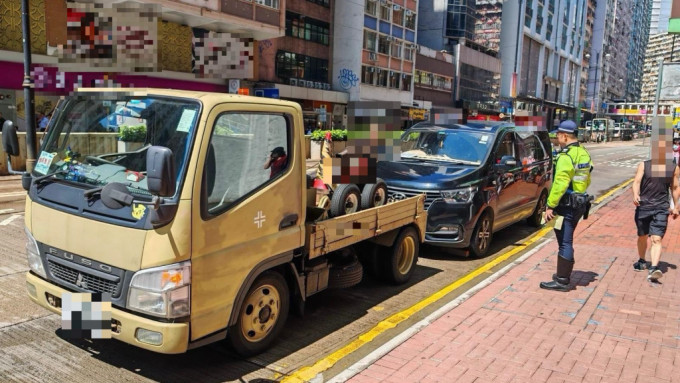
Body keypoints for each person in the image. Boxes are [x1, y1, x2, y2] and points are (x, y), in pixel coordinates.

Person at [540, 120, 594, 292]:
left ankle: (562, 280)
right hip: (579, 202)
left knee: (565, 241)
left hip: (567, 204)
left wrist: (550, 205)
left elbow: (560, 184)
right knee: (566, 239)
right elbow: (587, 177)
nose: (557, 138)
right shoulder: (582, 153)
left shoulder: (566, 156)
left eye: (558, 135)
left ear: (564, 136)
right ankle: (562, 275)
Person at [632, 141, 680, 281]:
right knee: (642, 236)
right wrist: (635, 194)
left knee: (656, 238)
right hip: (644, 206)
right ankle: (642, 260)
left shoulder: (673, 168)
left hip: (661, 207)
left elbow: (675, 188)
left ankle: (653, 268)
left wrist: (676, 206)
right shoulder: (644, 165)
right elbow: (636, 182)